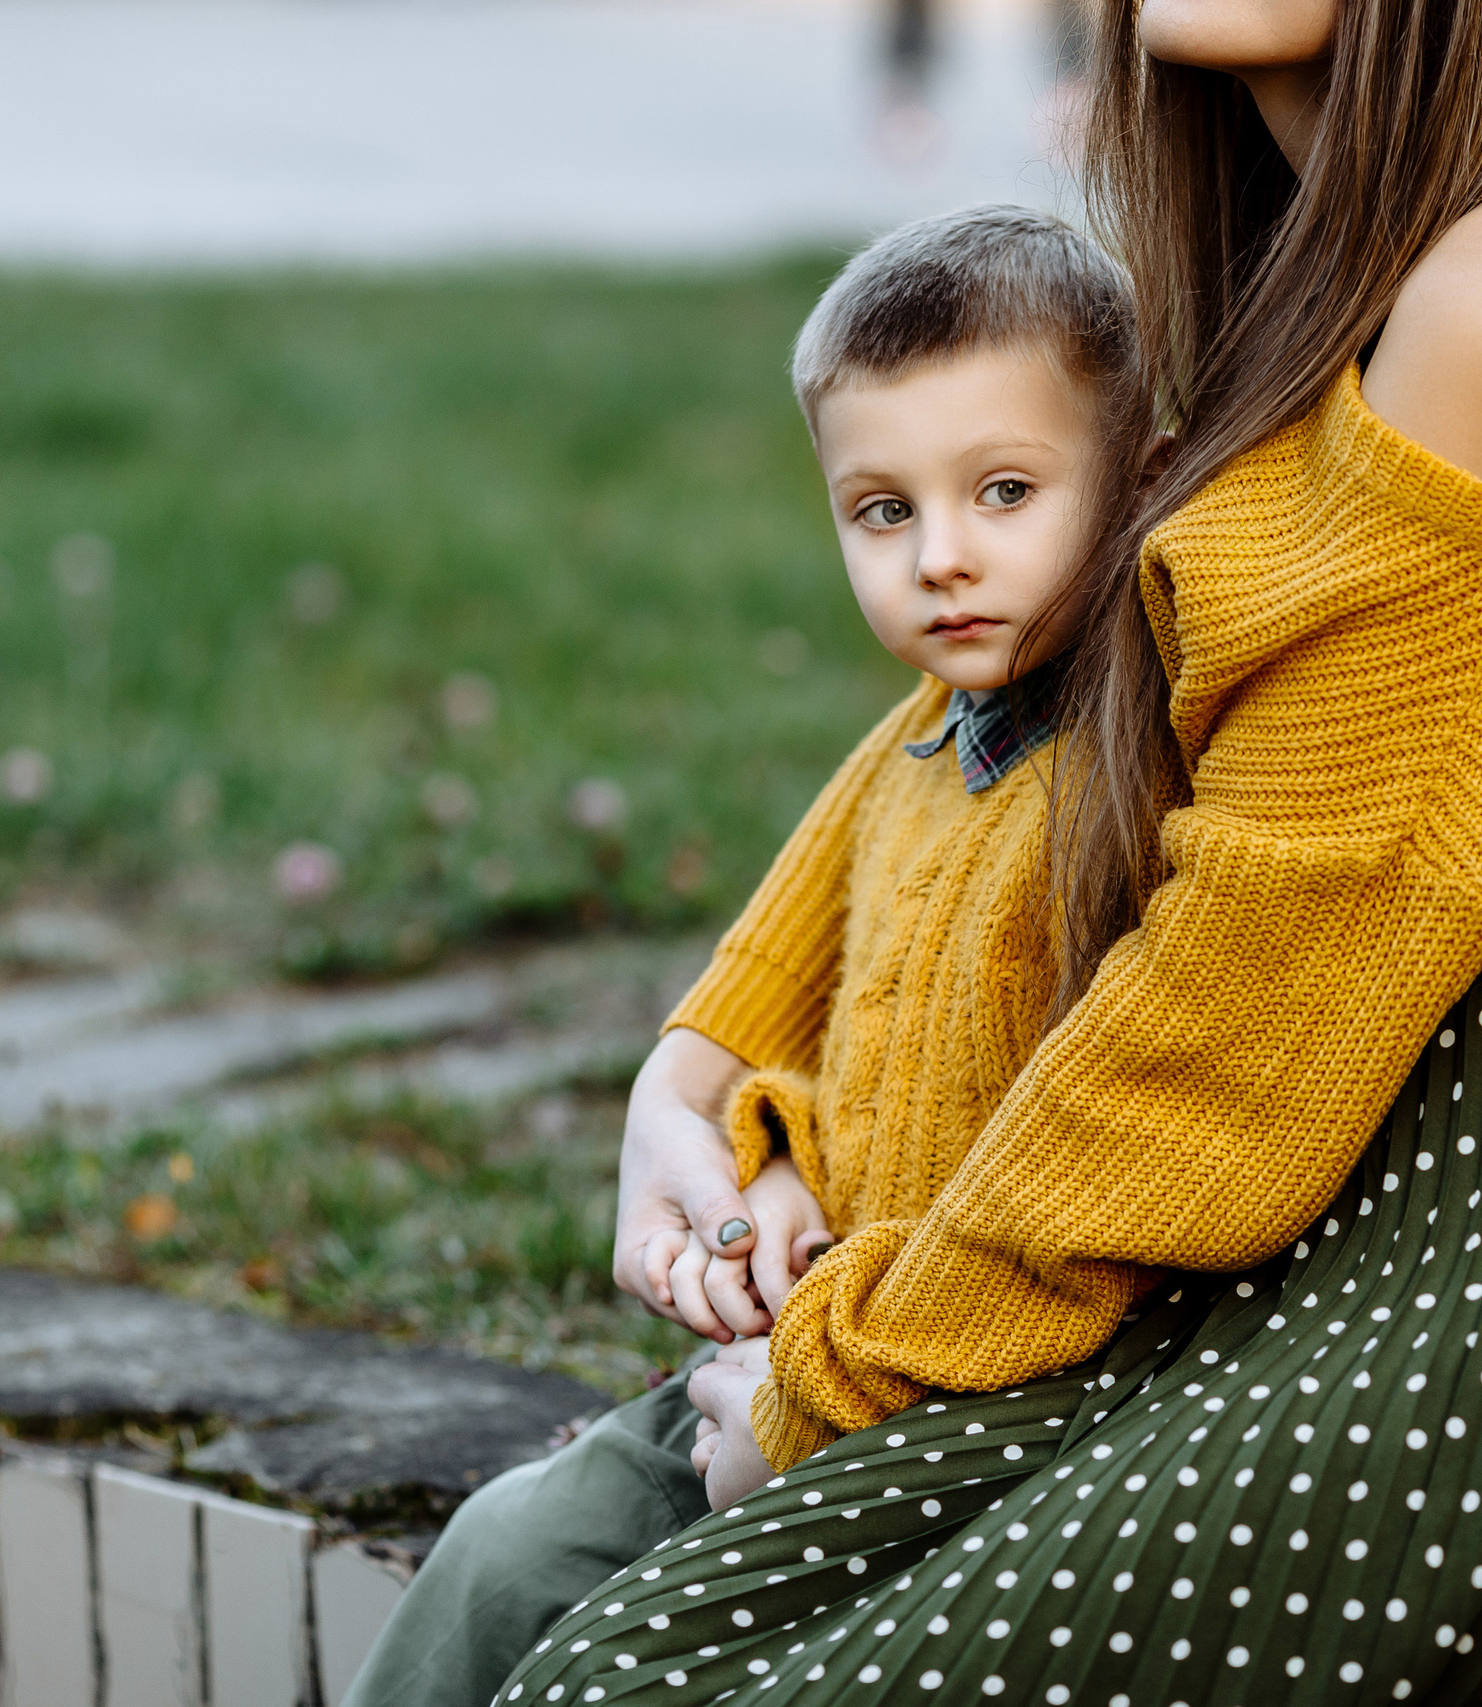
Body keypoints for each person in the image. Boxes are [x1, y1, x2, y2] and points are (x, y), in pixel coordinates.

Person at [496, 0, 1482, 1700]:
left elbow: (1246, 1017)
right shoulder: (1332, 259)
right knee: (605, 1624)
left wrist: (845, 1376)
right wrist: (699, 1071)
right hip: (1366, 1157)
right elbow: (1000, 745)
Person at [339, 204, 1152, 1706]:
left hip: (979, 1401)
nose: (944, 559)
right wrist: (756, 1166)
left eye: (1007, 491)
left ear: (1138, 476)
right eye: (882, 511)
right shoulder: (915, 747)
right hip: (791, 1339)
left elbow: (1087, 1142)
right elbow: (737, 1019)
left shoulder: (1130, 772)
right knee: (509, 1555)